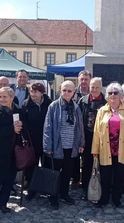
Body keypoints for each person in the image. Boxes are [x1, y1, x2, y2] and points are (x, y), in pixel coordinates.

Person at [92, 83, 124, 208]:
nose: (113, 95)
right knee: (105, 175)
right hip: (106, 148)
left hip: (121, 149)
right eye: (110, 93)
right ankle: (104, 198)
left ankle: (116, 198)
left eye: (115, 93)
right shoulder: (102, 110)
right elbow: (96, 132)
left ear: (121, 95)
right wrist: (95, 149)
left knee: (119, 175)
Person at [43, 80, 84, 209]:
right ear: (60, 91)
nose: (66, 93)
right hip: (56, 146)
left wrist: (81, 143)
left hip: (71, 147)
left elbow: (80, 127)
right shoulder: (53, 106)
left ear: (74, 92)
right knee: (55, 172)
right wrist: (47, 146)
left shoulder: (76, 107)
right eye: (64, 90)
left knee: (67, 172)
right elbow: (48, 127)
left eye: (69, 91)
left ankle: (64, 194)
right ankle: (53, 196)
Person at [0, 87, 24, 213]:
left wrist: (21, 126)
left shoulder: (19, 110)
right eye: (0, 97)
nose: (2, 99)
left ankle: (2, 203)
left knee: (10, 178)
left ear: (11, 97)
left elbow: (25, 126)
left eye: (4, 97)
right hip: (0, 150)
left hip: (15, 150)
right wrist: (11, 129)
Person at [21, 82, 52, 201]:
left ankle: (46, 187)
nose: (33, 94)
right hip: (32, 140)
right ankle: (31, 189)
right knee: (31, 166)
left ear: (42, 92)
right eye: (31, 91)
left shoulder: (49, 104)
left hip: (46, 139)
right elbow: (24, 123)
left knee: (46, 165)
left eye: (35, 91)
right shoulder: (26, 104)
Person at [78, 77, 107, 200]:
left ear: (101, 88)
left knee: (103, 164)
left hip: (102, 138)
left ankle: (102, 189)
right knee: (86, 164)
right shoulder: (82, 101)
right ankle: (86, 189)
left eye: (97, 87)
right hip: (87, 136)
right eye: (92, 87)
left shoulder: (107, 101)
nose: (94, 89)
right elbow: (79, 121)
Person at [70, 70, 91, 189]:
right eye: (82, 79)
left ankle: (86, 179)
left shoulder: (93, 93)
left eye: (86, 79)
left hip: (88, 130)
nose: (83, 81)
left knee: (87, 157)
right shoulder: (73, 92)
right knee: (75, 157)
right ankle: (76, 178)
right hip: (74, 130)